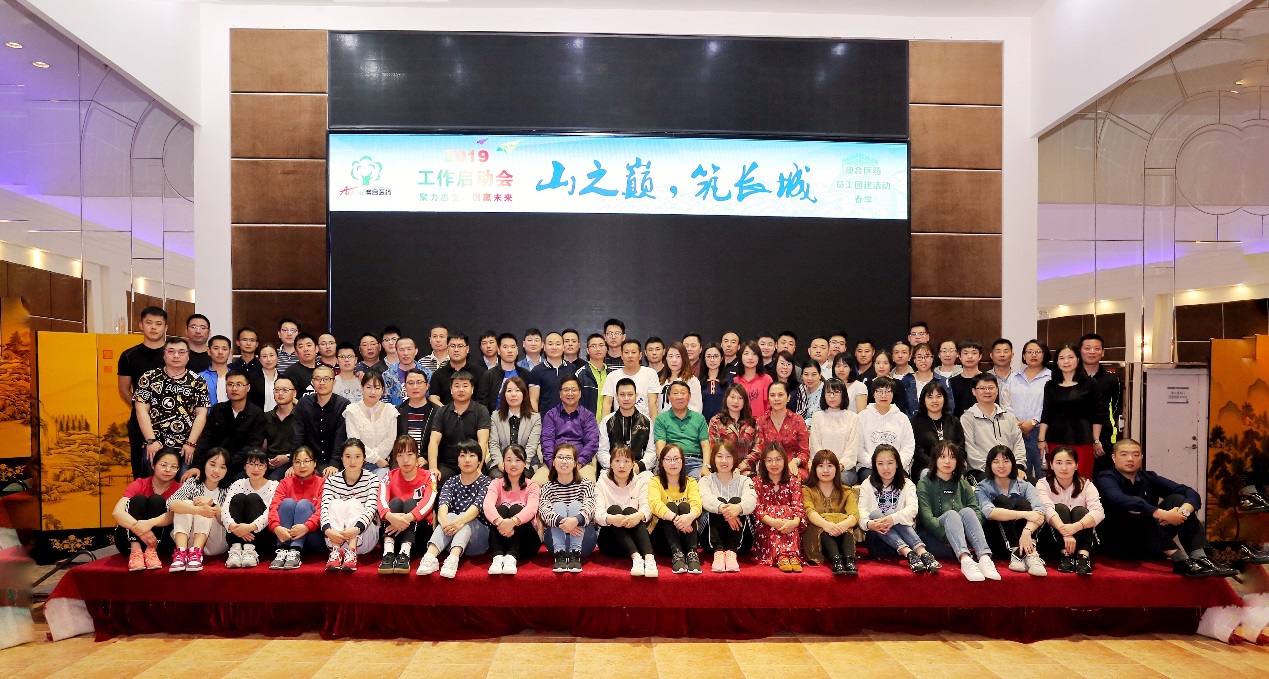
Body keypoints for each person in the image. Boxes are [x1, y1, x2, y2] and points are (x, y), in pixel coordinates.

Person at [1094, 439, 1236, 577]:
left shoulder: (1149, 477)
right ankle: (1181, 560)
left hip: (1151, 543)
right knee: (1139, 507)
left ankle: (1200, 558)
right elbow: (1120, 500)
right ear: (1114, 458)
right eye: (1124, 454)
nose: (1130, 459)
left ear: (1141, 457)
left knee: (1178, 499)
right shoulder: (1105, 478)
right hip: (1119, 545)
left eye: (1136, 454)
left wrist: (1182, 512)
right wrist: (1163, 514)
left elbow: (1189, 492)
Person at [917, 441, 999, 582]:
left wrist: (964, 534)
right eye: (942, 456)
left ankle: (984, 558)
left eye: (952, 457)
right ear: (935, 459)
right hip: (937, 535)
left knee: (967, 511)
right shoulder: (925, 483)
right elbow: (926, 518)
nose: (947, 461)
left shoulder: (963, 484)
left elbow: (976, 512)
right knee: (952, 514)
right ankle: (965, 560)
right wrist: (950, 536)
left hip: (963, 537)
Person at [135, 337, 210, 477]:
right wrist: (151, 440)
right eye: (171, 351)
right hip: (155, 444)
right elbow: (141, 410)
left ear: (188, 356)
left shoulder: (198, 381)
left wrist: (191, 443)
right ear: (164, 355)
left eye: (181, 352)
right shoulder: (149, 378)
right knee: (153, 485)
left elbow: (201, 413)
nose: (176, 356)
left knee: (183, 486)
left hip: (185, 446)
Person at [416, 440, 492, 578]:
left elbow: (475, 509)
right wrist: (446, 523)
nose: (467, 460)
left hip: (478, 539)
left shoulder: (486, 482)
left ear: (479, 461)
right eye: (462, 455)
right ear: (457, 460)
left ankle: (453, 559)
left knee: (461, 518)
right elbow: (442, 508)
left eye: (472, 456)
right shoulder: (450, 482)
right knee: (449, 516)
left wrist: (456, 522)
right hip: (452, 535)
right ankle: (430, 557)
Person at [860, 444, 938, 573]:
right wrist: (869, 524)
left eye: (890, 463)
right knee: (875, 515)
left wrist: (893, 518)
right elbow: (861, 512)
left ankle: (919, 553)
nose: (885, 468)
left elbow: (913, 509)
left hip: (906, 537)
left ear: (897, 464)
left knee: (893, 513)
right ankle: (911, 552)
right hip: (879, 541)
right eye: (880, 463)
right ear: (875, 465)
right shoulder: (867, 484)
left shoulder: (907, 484)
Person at [974, 445, 1048, 577]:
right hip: (997, 540)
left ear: (1013, 464)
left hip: (1025, 540)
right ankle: (1016, 552)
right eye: (996, 462)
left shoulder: (1024, 485)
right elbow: (989, 512)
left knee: (1023, 503)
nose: (1001, 465)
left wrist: (1027, 532)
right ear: (989, 465)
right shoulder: (982, 487)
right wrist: (1024, 514)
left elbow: (1040, 511)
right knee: (1002, 501)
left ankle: (1028, 554)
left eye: (1006, 461)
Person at [376, 436, 438, 575]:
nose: (405, 460)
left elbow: (428, 503)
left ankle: (405, 553)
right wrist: (390, 516)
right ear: (395, 458)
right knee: (395, 502)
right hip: (392, 536)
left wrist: (406, 519)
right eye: (400, 455)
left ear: (417, 456)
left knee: (411, 503)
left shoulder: (429, 477)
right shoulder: (388, 476)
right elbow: (381, 500)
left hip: (418, 537)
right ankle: (388, 554)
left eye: (410, 454)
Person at [190, 368, 266, 481]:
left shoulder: (257, 414)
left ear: (248, 387)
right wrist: (196, 465)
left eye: (239, 384)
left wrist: (226, 465)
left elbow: (252, 447)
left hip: (240, 468)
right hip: (214, 464)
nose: (234, 388)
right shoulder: (217, 410)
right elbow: (205, 440)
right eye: (230, 384)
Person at [1036, 446, 1102, 575]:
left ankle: (1083, 556)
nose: (1064, 468)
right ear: (1051, 465)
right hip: (1054, 541)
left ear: (1076, 465)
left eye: (1069, 463)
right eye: (1059, 463)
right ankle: (1066, 555)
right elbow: (1046, 509)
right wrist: (1066, 533)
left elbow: (1098, 511)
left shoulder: (1087, 484)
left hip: (1081, 540)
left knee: (1080, 511)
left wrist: (1076, 527)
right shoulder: (1043, 484)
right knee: (1059, 508)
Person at [1039, 343, 1102, 479]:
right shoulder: (1050, 385)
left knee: (1082, 479)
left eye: (1070, 357)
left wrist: (1096, 440)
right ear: (1056, 362)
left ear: (1078, 359)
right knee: (1056, 479)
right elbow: (1046, 413)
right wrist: (1041, 439)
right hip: (1055, 438)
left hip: (1082, 438)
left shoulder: (1090, 384)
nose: (1066, 361)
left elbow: (1097, 414)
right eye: (1062, 358)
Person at [113, 448, 181, 571]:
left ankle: (151, 551)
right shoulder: (140, 483)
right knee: (139, 499)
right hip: (128, 542)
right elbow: (117, 512)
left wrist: (149, 524)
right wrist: (142, 531)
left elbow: (174, 516)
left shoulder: (180, 489)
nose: (168, 470)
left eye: (173, 467)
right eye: (163, 465)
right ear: (153, 465)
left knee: (157, 500)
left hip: (162, 543)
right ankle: (136, 551)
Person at [319, 439, 381, 572]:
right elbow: (324, 508)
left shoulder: (372, 479)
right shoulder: (331, 481)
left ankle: (351, 554)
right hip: (336, 538)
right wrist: (328, 531)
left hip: (363, 538)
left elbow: (371, 508)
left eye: (357, 457)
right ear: (341, 458)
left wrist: (356, 530)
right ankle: (335, 553)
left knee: (353, 502)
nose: (352, 461)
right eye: (348, 457)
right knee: (336, 503)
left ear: (364, 459)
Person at [595, 445, 657, 577]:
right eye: (617, 461)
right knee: (614, 510)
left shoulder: (640, 483)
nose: (622, 465)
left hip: (635, 539)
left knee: (630, 511)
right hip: (611, 542)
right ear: (611, 464)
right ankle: (636, 558)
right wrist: (612, 519)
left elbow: (647, 509)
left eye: (626, 461)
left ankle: (649, 559)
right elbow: (597, 514)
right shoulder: (601, 483)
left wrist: (638, 516)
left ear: (633, 464)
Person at [483, 444, 542, 575]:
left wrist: (512, 522)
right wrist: (501, 522)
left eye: (518, 460)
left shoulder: (532, 485)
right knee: (501, 509)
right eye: (509, 460)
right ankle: (498, 558)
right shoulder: (496, 483)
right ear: (503, 463)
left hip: (525, 545)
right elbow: (487, 505)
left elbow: (532, 508)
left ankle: (511, 556)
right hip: (501, 542)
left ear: (525, 463)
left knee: (516, 508)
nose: (513, 464)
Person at [539, 443, 598, 573]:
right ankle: (559, 554)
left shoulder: (586, 484)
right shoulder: (547, 487)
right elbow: (544, 511)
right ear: (553, 462)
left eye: (568, 458)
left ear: (575, 463)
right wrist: (564, 523)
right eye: (560, 457)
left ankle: (575, 554)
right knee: (558, 505)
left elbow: (590, 507)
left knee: (576, 505)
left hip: (583, 540)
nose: (564, 461)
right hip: (555, 541)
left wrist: (575, 521)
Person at [698, 440, 755, 573]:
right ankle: (719, 552)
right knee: (717, 502)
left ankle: (731, 552)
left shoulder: (744, 480)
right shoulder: (706, 480)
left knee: (736, 501)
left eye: (728, 456)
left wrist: (737, 508)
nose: (724, 461)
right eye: (720, 456)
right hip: (710, 542)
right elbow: (704, 499)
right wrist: (724, 509)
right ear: (713, 458)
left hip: (741, 544)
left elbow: (751, 501)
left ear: (734, 459)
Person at [427, 371, 491, 485]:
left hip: (472, 463)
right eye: (457, 386)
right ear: (451, 390)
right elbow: (434, 441)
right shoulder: (442, 412)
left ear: (472, 389)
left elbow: (483, 441)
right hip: (447, 464)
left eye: (465, 386)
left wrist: (478, 468)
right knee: (437, 480)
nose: (461, 390)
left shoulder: (481, 411)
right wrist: (433, 468)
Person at [959, 373, 1026, 482]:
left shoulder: (1008, 416)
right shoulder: (967, 418)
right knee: (997, 491)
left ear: (997, 390)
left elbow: (1018, 443)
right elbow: (971, 451)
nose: (987, 391)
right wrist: (994, 469)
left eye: (991, 388)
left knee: (1034, 486)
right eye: (982, 388)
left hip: (1010, 469)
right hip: (981, 471)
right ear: (974, 391)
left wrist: (1018, 466)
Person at [267, 446, 326, 569]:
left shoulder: (323, 483)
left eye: (306, 461)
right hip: (285, 537)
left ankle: (295, 550)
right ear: (292, 465)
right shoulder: (285, 483)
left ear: (314, 463)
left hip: (311, 536)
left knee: (304, 504)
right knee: (288, 502)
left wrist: (306, 527)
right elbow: (274, 507)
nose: (302, 466)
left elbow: (323, 511)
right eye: (297, 462)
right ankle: (282, 550)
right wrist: (276, 527)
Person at [802, 450, 859, 575]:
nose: (825, 470)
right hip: (818, 539)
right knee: (822, 526)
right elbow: (809, 511)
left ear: (837, 469)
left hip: (841, 534)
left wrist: (843, 525)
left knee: (846, 526)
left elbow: (854, 514)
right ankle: (836, 560)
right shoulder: (807, 490)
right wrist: (826, 525)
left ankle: (849, 560)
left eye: (830, 466)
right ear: (814, 469)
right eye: (820, 466)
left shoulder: (846, 491)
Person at [648, 444, 702, 574]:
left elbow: (697, 504)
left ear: (683, 461)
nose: (673, 463)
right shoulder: (655, 481)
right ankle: (677, 554)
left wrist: (689, 517)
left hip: (687, 537)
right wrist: (676, 519)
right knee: (670, 506)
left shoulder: (691, 482)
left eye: (676, 459)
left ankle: (692, 554)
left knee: (685, 506)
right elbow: (655, 504)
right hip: (663, 540)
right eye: (668, 459)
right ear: (662, 462)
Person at [752, 443, 806, 573]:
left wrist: (793, 523)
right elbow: (757, 510)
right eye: (769, 460)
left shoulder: (793, 481)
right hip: (767, 527)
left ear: (784, 461)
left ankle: (791, 554)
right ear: (763, 463)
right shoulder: (756, 482)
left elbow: (799, 507)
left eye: (778, 459)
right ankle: (782, 555)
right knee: (775, 510)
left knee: (787, 511)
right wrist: (774, 522)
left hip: (790, 526)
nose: (774, 464)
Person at [223, 447, 279, 568]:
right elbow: (225, 508)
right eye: (251, 464)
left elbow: (270, 512)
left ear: (267, 467)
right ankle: (236, 549)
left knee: (253, 498)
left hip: (261, 538)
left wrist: (250, 527)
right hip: (236, 534)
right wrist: (234, 527)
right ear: (244, 466)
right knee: (238, 498)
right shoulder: (238, 484)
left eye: (260, 465)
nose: (255, 469)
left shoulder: (274, 485)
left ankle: (250, 550)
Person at [539, 375, 599, 483]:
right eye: (566, 390)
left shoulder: (588, 416)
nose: (570, 393)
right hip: (554, 463)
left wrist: (578, 463)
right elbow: (547, 441)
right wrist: (552, 464)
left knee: (588, 482)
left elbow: (592, 442)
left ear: (580, 393)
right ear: (560, 394)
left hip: (581, 464)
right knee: (537, 482)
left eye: (574, 390)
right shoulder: (551, 415)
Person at [291, 365, 350, 476]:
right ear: (312, 382)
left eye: (326, 379)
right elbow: (298, 436)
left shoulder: (343, 405)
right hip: (308, 461)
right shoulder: (303, 404)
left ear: (334, 382)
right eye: (318, 379)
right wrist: (296, 462)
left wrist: (334, 464)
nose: (322, 383)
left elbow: (341, 437)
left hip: (336, 461)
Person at [748, 382, 810, 481]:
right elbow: (759, 450)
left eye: (780, 395)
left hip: (793, 466)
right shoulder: (761, 421)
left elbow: (804, 451)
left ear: (788, 398)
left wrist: (796, 461)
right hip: (769, 467)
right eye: (772, 395)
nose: (776, 398)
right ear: (768, 398)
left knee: (794, 479)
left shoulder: (798, 420)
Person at [855, 376, 915, 478]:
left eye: (888, 392)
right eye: (879, 391)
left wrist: (894, 464)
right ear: (873, 394)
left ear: (893, 394)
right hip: (869, 467)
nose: (883, 395)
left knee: (900, 482)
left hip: (897, 467)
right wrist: (876, 464)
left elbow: (908, 447)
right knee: (873, 481)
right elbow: (858, 447)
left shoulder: (902, 418)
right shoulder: (861, 417)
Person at [1080, 333, 1123, 473]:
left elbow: (1116, 408)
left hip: (1104, 439)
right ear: (1080, 351)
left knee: (1103, 478)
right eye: (1087, 348)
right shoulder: (1071, 377)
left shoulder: (1112, 379)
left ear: (1103, 352)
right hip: (1077, 436)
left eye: (1097, 348)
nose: (1092, 352)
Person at [342, 371, 398, 476]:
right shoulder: (352, 410)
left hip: (382, 464)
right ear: (362, 388)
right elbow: (354, 440)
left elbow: (390, 440)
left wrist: (377, 460)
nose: (373, 392)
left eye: (377, 388)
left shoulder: (390, 411)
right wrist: (375, 459)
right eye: (368, 387)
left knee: (383, 481)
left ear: (383, 390)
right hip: (356, 463)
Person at [1010, 339, 1051, 481]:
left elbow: (1049, 405)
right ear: (1023, 356)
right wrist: (1016, 422)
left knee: (1042, 475)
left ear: (1044, 354)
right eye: (1029, 352)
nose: (1033, 355)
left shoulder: (1051, 378)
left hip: (1041, 433)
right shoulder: (1013, 377)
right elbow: (1005, 402)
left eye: (1038, 351)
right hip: (1016, 432)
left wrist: (1033, 421)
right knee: (1019, 475)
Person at [654, 381, 712, 479]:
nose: (679, 397)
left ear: (689, 396)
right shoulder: (661, 419)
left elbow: (705, 445)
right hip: (671, 462)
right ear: (669, 397)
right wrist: (667, 463)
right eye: (675, 393)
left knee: (702, 481)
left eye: (683, 393)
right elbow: (660, 447)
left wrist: (706, 466)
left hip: (694, 463)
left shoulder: (699, 418)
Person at [598, 378, 655, 474]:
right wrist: (616, 465)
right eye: (622, 395)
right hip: (612, 470)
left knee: (648, 478)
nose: (626, 398)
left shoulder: (647, 421)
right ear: (616, 397)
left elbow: (651, 451)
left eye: (630, 394)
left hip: (639, 470)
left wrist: (640, 466)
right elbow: (602, 451)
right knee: (602, 478)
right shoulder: (606, 421)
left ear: (636, 396)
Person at [489, 376, 543, 479]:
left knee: (522, 477)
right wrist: (500, 463)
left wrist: (520, 463)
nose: (513, 394)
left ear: (524, 394)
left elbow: (532, 446)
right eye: (509, 391)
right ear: (504, 395)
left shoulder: (534, 418)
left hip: (526, 461)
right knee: (497, 476)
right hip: (502, 461)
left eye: (518, 390)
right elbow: (493, 443)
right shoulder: (495, 416)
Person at [809, 378, 860, 485]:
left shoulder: (853, 417)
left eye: (836, 392)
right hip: (821, 466)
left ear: (843, 394)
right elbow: (815, 445)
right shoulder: (817, 416)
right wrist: (825, 466)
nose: (832, 396)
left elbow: (852, 447)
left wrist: (839, 466)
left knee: (839, 480)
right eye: (828, 393)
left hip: (845, 468)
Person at [911, 381, 964, 480]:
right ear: (923, 400)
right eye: (930, 397)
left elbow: (960, 449)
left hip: (951, 466)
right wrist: (936, 465)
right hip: (925, 467)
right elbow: (917, 452)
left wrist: (950, 464)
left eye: (938, 396)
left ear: (944, 399)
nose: (934, 400)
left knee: (959, 475)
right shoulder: (915, 423)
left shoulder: (954, 422)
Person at [600, 338, 659, 420]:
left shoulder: (650, 373)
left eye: (633, 352)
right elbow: (607, 404)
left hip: (644, 423)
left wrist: (654, 426)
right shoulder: (612, 376)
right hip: (619, 423)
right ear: (621, 355)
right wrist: (604, 425)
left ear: (640, 355)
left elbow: (652, 403)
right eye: (626, 352)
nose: (630, 356)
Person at [477, 333, 531, 412]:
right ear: (498, 351)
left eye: (513, 347)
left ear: (517, 350)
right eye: (505, 347)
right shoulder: (488, 375)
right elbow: (482, 404)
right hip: (495, 418)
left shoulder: (525, 374)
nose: (510, 350)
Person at [428, 334, 487, 407]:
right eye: (452, 346)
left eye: (460, 346)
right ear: (447, 349)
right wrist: (447, 412)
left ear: (467, 349)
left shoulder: (479, 373)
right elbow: (433, 398)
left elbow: (482, 399)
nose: (456, 350)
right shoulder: (438, 374)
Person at [263, 376, 299, 479]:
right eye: (277, 390)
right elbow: (262, 445)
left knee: (274, 478)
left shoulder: (301, 417)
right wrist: (264, 459)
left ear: (294, 393)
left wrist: (288, 457)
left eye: (285, 390)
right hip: (268, 462)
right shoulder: (266, 417)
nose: (280, 393)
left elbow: (306, 444)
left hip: (292, 460)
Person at [529, 331, 573, 414]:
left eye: (558, 344)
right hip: (546, 419)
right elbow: (534, 400)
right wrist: (537, 421)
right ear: (544, 347)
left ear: (563, 347)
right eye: (550, 344)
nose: (554, 347)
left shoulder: (572, 369)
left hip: (570, 419)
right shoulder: (536, 371)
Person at [396, 368, 436, 450]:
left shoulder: (437, 412)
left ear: (427, 386)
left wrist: (426, 456)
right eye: (411, 383)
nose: (415, 387)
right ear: (405, 387)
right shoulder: (397, 412)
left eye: (419, 382)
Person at [658, 342, 702, 413]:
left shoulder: (691, 381)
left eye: (678, 356)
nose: (674, 360)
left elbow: (696, 409)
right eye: (670, 356)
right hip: (663, 419)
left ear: (684, 358)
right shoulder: (662, 381)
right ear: (666, 358)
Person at [863, 351, 910, 415]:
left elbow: (901, 407)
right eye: (878, 363)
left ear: (890, 365)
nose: (881, 366)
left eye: (885, 363)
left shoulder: (898, 384)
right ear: (873, 364)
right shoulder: (868, 384)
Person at [733, 341, 772, 419]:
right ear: (741, 357)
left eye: (754, 354)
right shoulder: (735, 381)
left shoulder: (766, 379)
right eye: (746, 353)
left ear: (759, 357)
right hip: (740, 424)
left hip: (761, 424)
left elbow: (771, 406)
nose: (750, 357)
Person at [948, 340, 985, 418]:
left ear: (980, 356)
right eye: (965, 353)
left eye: (974, 353)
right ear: (959, 356)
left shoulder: (987, 380)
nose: (970, 356)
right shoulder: (952, 382)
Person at [577, 333, 609, 421]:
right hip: (586, 425)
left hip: (608, 425)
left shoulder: (611, 374)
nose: (598, 349)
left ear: (606, 349)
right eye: (593, 346)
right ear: (587, 350)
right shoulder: (581, 374)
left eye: (601, 345)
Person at [383, 336, 424, 406]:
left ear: (416, 351)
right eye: (401, 350)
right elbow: (385, 400)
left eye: (409, 349)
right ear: (396, 353)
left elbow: (430, 397)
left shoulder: (426, 373)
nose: (405, 353)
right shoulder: (388, 375)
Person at [699, 343, 731, 421]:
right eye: (709, 356)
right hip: (703, 424)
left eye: (716, 356)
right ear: (704, 359)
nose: (712, 360)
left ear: (722, 358)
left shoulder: (730, 380)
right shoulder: (697, 382)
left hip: (725, 423)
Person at [197, 335, 232, 405]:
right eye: (216, 348)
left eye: (224, 349)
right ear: (209, 351)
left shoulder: (237, 376)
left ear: (230, 353)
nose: (220, 352)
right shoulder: (199, 378)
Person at [253, 344, 281, 411]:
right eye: (264, 356)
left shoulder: (284, 379)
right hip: (259, 416)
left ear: (277, 357)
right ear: (259, 359)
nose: (268, 359)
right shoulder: (252, 380)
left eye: (271, 355)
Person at [988, 339, 1015, 409]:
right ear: (991, 355)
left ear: (1012, 355)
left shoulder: (1019, 379)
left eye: (1006, 351)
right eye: (998, 352)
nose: (1002, 355)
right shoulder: (984, 379)